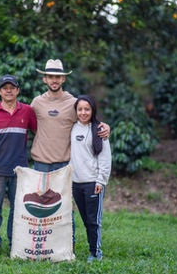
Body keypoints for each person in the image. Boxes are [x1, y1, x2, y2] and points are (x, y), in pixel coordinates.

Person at [30, 59, 110, 249]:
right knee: (41, 207)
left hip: (65, 164)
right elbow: (29, 125)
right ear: (45, 79)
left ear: (63, 79)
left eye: (58, 76)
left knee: (65, 208)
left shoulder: (73, 103)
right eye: (51, 77)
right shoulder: (37, 103)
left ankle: (68, 246)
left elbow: (88, 121)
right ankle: (43, 246)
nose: (54, 80)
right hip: (41, 163)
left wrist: (105, 127)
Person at [0, 74, 37, 254]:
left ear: (18, 90)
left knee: (17, 210)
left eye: (12, 87)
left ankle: (16, 245)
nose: (9, 90)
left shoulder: (27, 111)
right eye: (5, 88)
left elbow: (39, 133)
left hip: (20, 170)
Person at [70, 95, 112, 262]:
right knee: (86, 220)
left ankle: (96, 254)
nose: (83, 112)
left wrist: (101, 181)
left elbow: (105, 158)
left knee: (94, 221)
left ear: (92, 110)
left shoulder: (99, 130)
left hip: (92, 183)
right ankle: (92, 249)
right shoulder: (72, 128)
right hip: (75, 183)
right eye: (80, 109)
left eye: (87, 109)